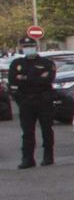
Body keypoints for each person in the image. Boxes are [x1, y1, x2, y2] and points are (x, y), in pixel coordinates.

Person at [9, 39, 57, 168]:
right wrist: (36, 78)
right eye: (25, 46)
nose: (28, 48)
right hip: (26, 101)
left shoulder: (46, 63)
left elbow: (47, 80)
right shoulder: (17, 63)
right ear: (21, 47)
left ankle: (48, 156)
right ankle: (28, 159)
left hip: (43, 100)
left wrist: (24, 78)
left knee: (46, 129)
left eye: (30, 46)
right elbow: (13, 81)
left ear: (36, 47)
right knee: (27, 132)